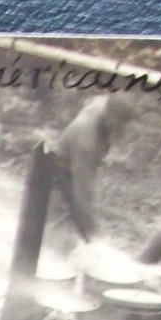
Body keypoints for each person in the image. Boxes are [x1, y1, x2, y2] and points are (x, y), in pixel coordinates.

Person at [47, 94, 136, 253]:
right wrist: (94, 238)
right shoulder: (87, 143)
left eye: (125, 125)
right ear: (109, 117)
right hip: (57, 175)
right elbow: (83, 195)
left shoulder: (102, 104)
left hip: (71, 164)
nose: (123, 130)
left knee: (75, 222)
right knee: (57, 226)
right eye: (119, 125)